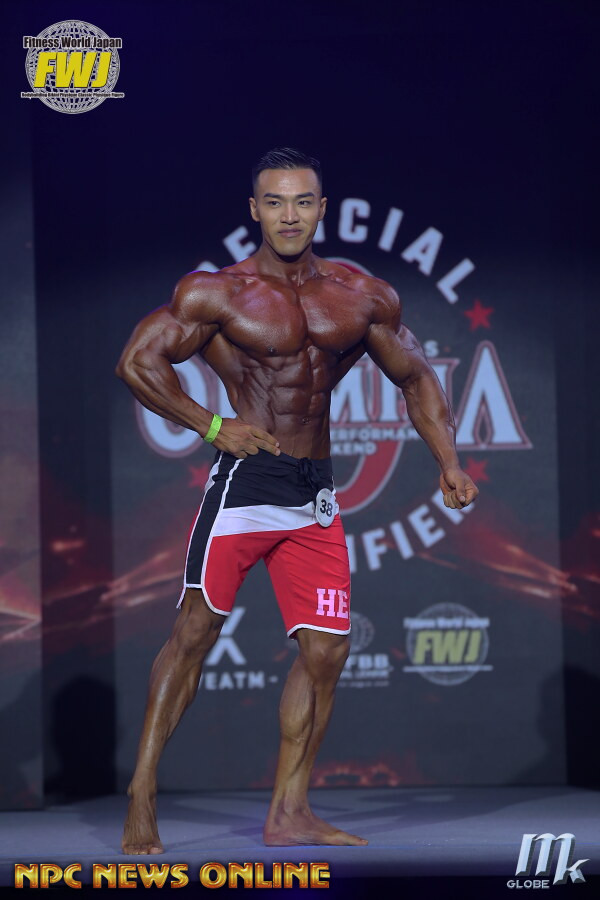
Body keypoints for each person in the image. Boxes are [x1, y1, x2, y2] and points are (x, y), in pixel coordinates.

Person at [116, 147, 479, 854]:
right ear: (255, 210)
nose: (290, 215)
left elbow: (415, 376)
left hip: (314, 491)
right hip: (246, 483)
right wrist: (213, 426)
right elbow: (137, 361)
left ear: (321, 209)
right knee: (195, 633)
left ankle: (289, 811)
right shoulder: (217, 292)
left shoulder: (360, 295)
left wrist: (449, 462)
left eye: (303, 202)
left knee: (327, 651)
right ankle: (143, 790)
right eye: (276, 202)